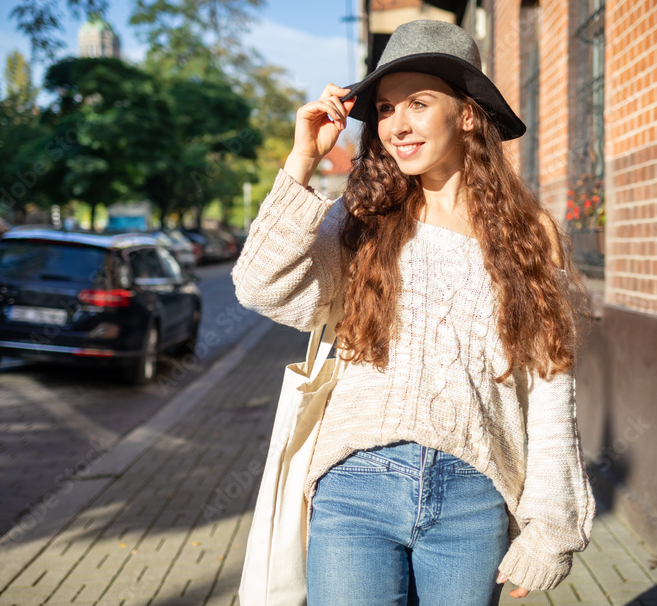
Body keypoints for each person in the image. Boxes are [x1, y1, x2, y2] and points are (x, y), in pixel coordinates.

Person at [232, 19, 595, 606]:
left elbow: (552, 382)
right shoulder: (360, 223)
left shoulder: (530, 236)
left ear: (469, 114)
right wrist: (301, 161)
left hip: (473, 496)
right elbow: (259, 287)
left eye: (419, 103)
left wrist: (552, 528)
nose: (397, 124)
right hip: (353, 489)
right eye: (384, 108)